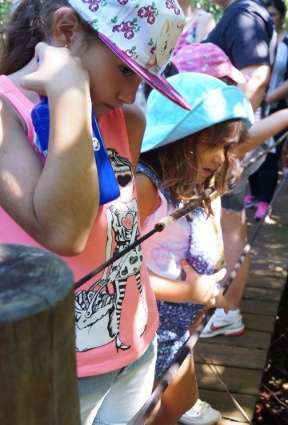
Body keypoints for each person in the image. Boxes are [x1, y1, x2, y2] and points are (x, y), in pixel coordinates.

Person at [0, 1, 189, 424]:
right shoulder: (5, 112)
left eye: (140, 80)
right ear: (66, 31)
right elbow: (65, 231)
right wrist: (68, 92)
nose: (128, 94)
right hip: (56, 365)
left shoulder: (127, 119)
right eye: (125, 70)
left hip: (134, 343)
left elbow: (116, 231)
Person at [137, 72, 288, 424]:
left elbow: (242, 141)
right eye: (217, 146)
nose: (226, 157)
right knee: (151, 410)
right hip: (148, 330)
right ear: (181, 139)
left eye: (229, 147)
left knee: (179, 404)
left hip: (179, 326)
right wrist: (189, 291)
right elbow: (117, 273)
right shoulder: (146, 185)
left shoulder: (197, 171)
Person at [203, 0, 278, 337]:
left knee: (230, 223)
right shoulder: (243, 14)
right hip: (231, 145)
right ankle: (224, 308)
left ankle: (228, 310)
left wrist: (223, 141)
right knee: (228, 222)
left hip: (228, 147)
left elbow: (256, 79)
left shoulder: (242, 14)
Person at [247, 0, 288, 221]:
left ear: (282, 16)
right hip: (253, 106)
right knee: (249, 149)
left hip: (275, 107)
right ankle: (252, 194)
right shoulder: (256, 39)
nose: (270, 18)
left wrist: (270, 96)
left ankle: (264, 201)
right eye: (266, 14)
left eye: (273, 14)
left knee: (269, 154)